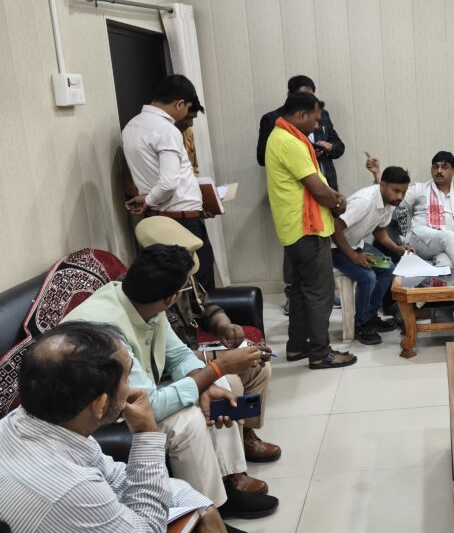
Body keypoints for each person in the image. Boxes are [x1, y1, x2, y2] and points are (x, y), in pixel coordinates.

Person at [62, 245, 279, 519]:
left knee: (221, 387)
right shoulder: (106, 330)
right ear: (171, 298)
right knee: (187, 422)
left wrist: (207, 382)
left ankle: (230, 481)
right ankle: (204, 514)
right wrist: (217, 367)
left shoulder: (144, 302)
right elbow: (147, 406)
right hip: (98, 416)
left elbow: (177, 355)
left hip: (135, 396)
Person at [0, 321, 234, 533]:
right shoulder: (70, 487)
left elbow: (114, 478)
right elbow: (148, 529)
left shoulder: (28, 421)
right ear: (100, 404)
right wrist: (146, 433)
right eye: (127, 378)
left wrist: (200, 503)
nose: (133, 387)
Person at [134, 216, 281, 463]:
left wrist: (224, 325)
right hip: (170, 374)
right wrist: (219, 359)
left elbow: (205, 307)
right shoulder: (147, 291)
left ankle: (246, 434)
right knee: (230, 382)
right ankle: (230, 465)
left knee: (259, 367)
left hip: (191, 359)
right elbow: (162, 358)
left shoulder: (184, 278)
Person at [265, 92, 354, 368]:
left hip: (293, 228)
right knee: (319, 293)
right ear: (301, 115)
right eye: (315, 120)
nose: (316, 126)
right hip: (308, 228)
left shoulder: (279, 136)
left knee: (300, 292)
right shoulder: (290, 141)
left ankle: (296, 347)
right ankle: (320, 353)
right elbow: (318, 189)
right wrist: (338, 202)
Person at [122, 74, 217, 293]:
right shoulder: (166, 130)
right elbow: (168, 183)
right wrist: (149, 199)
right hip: (181, 222)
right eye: (188, 108)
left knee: (172, 286)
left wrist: (148, 199)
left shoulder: (131, 127)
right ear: (180, 104)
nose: (186, 116)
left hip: (156, 220)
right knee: (200, 285)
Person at [333, 166, 413, 345]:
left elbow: (379, 230)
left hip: (357, 245)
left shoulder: (389, 203)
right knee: (368, 277)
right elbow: (335, 227)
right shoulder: (365, 201)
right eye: (396, 191)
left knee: (388, 268)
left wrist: (396, 248)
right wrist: (353, 256)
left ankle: (369, 316)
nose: (400, 196)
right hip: (336, 248)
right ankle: (361, 324)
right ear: (382, 185)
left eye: (403, 192)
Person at [397, 151, 454, 268]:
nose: (439, 171)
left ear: (453, 170)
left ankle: (433, 277)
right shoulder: (420, 189)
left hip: (448, 245)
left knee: (446, 263)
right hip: (419, 239)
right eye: (435, 167)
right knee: (448, 236)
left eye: (444, 167)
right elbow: (394, 198)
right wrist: (379, 179)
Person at [257, 75, 345, 191]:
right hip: (296, 190)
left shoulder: (322, 114)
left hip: (328, 185)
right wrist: (306, 153)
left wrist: (330, 147)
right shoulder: (272, 119)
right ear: (290, 95)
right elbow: (263, 158)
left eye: (311, 96)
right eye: (302, 95)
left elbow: (339, 146)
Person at [177, 97, 205, 176]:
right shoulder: (162, 136)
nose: (191, 124)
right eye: (187, 118)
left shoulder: (188, 132)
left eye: (192, 118)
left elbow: (194, 168)